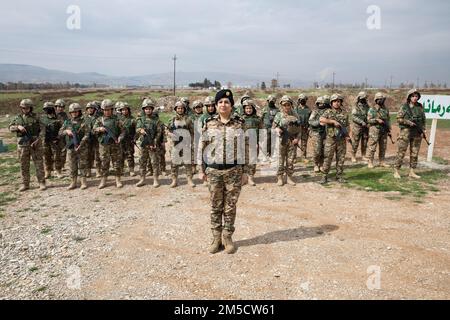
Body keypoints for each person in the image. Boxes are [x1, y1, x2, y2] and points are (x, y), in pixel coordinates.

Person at [199, 89, 247, 254]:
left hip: (234, 171)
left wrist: (246, 171)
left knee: (230, 206)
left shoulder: (239, 124)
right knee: (215, 206)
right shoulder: (209, 123)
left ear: (231, 105)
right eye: (220, 102)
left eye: (227, 102)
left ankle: (227, 237)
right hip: (213, 171)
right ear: (216, 105)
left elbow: (245, 148)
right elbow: (202, 147)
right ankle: (216, 238)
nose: (223, 104)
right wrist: (201, 168)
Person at [9, 99, 46, 191]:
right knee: (23, 165)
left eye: (27, 108)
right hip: (22, 145)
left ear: (30, 108)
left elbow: (43, 129)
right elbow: (10, 127)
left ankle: (41, 183)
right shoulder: (18, 118)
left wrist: (38, 139)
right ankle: (25, 184)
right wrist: (17, 127)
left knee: (39, 163)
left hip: (35, 143)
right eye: (23, 108)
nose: (25, 109)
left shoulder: (36, 117)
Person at [393, 89, 426, 179]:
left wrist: (423, 130)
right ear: (409, 97)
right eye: (413, 96)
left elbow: (423, 119)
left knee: (415, 153)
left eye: (416, 96)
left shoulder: (420, 107)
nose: (415, 98)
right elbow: (398, 118)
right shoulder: (404, 107)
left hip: (417, 133)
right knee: (401, 152)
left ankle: (412, 171)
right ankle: (396, 170)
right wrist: (408, 122)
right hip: (405, 132)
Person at [93, 99, 126, 189]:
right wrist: (99, 129)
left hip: (115, 144)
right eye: (104, 110)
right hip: (104, 145)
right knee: (104, 162)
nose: (106, 112)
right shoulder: (100, 120)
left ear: (112, 110)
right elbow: (93, 130)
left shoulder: (117, 120)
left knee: (117, 162)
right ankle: (103, 180)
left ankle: (118, 180)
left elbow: (123, 131)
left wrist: (120, 137)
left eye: (108, 110)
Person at [319, 94, 351, 184]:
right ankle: (324, 176)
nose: (336, 103)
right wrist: (332, 121)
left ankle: (339, 176)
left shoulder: (344, 113)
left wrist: (347, 135)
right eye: (334, 101)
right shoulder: (328, 112)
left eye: (338, 101)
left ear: (340, 102)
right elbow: (321, 119)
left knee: (341, 158)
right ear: (331, 103)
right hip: (331, 139)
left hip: (341, 139)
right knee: (328, 157)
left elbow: (347, 125)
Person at [59, 103, 90, 190]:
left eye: (76, 112)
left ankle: (83, 182)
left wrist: (81, 143)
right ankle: (73, 182)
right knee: (72, 165)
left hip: (82, 146)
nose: (74, 113)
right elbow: (60, 133)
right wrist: (66, 131)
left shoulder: (84, 122)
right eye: (72, 112)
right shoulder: (67, 122)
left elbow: (87, 134)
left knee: (82, 164)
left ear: (79, 111)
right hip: (70, 147)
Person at [272, 95, 301, 186]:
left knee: (290, 160)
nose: (286, 107)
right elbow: (273, 127)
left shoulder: (295, 114)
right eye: (284, 105)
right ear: (281, 105)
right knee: (280, 160)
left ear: (291, 105)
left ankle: (289, 177)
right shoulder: (279, 115)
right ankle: (280, 178)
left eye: (288, 104)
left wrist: (297, 139)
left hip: (292, 141)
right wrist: (277, 130)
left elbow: (299, 129)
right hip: (281, 140)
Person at [167, 101, 195, 188]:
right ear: (176, 109)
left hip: (186, 144)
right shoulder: (171, 119)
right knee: (174, 163)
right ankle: (174, 180)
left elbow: (192, 132)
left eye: (182, 108)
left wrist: (191, 142)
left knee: (188, 163)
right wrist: (171, 135)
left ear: (184, 109)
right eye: (178, 108)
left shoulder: (188, 119)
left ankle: (189, 180)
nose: (180, 110)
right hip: (175, 144)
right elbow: (167, 131)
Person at [135, 98, 162, 188]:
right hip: (143, 143)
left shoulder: (156, 120)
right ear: (144, 109)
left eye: (149, 108)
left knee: (154, 162)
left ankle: (155, 179)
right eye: (146, 109)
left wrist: (154, 142)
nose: (148, 110)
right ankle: (142, 179)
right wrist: (140, 130)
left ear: (152, 109)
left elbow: (159, 132)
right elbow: (137, 128)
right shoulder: (140, 119)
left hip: (152, 144)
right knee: (142, 161)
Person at [241, 99, 263, 186]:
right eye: (246, 108)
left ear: (253, 109)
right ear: (244, 109)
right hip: (243, 143)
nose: (248, 110)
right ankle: (244, 178)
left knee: (252, 161)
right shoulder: (241, 119)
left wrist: (259, 143)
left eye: (250, 108)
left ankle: (251, 178)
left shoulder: (257, 119)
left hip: (254, 143)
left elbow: (262, 132)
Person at [367, 92, 391, 168]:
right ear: (376, 100)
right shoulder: (372, 109)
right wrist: (376, 120)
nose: (381, 100)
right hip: (374, 130)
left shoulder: (386, 109)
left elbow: (388, 119)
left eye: (382, 99)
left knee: (383, 146)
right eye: (380, 99)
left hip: (384, 130)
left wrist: (389, 128)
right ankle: (370, 162)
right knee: (372, 147)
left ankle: (382, 162)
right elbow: (368, 120)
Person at [40, 101, 63, 179]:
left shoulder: (58, 118)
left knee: (57, 156)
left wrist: (58, 137)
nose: (47, 110)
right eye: (45, 109)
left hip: (55, 141)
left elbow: (62, 128)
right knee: (46, 156)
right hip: (45, 141)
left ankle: (58, 171)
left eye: (48, 109)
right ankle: (48, 171)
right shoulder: (42, 118)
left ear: (52, 109)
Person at [308, 96, 329, 173]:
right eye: (319, 103)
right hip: (316, 132)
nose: (320, 104)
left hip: (327, 133)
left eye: (322, 103)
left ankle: (321, 164)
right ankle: (315, 164)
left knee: (324, 150)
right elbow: (310, 121)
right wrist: (319, 123)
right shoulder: (315, 112)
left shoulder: (329, 111)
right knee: (317, 150)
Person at [117, 102, 137, 177]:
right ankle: (121, 169)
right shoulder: (118, 120)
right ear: (120, 111)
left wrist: (135, 138)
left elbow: (136, 130)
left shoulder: (132, 120)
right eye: (122, 110)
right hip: (120, 141)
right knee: (120, 155)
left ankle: (131, 170)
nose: (124, 111)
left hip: (129, 140)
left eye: (126, 110)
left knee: (130, 155)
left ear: (128, 110)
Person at [84, 102, 102, 178]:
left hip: (97, 139)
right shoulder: (84, 118)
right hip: (87, 140)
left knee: (97, 156)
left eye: (92, 108)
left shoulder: (99, 118)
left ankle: (98, 171)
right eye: (88, 108)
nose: (90, 110)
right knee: (88, 155)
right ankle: (88, 171)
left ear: (95, 109)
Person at [351, 91, 370, 162]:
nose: (364, 99)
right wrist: (361, 122)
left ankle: (363, 155)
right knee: (355, 142)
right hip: (357, 127)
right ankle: (353, 156)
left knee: (365, 142)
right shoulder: (355, 106)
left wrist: (368, 122)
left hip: (365, 127)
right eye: (363, 98)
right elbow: (353, 117)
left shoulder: (367, 106)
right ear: (359, 98)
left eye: (365, 98)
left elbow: (369, 114)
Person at [295, 94, 312, 162]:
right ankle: (294, 157)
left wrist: (309, 127)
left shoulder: (308, 110)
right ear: (299, 100)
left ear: (306, 100)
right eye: (301, 99)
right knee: (295, 143)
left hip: (305, 129)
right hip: (297, 129)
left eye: (304, 99)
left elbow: (311, 120)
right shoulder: (295, 109)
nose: (302, 101)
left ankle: (303, 156)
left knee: (304, 143)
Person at [55, 99, 69, 168]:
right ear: (56, 107)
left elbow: (67, 124)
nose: (60, 108)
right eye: (58, 107)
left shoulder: (65, 116)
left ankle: (62, 165)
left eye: (62, 107)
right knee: (55, 153)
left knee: (63, 152)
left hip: (63, 136)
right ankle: (56, 168)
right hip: (55, 136)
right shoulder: (53, 115)